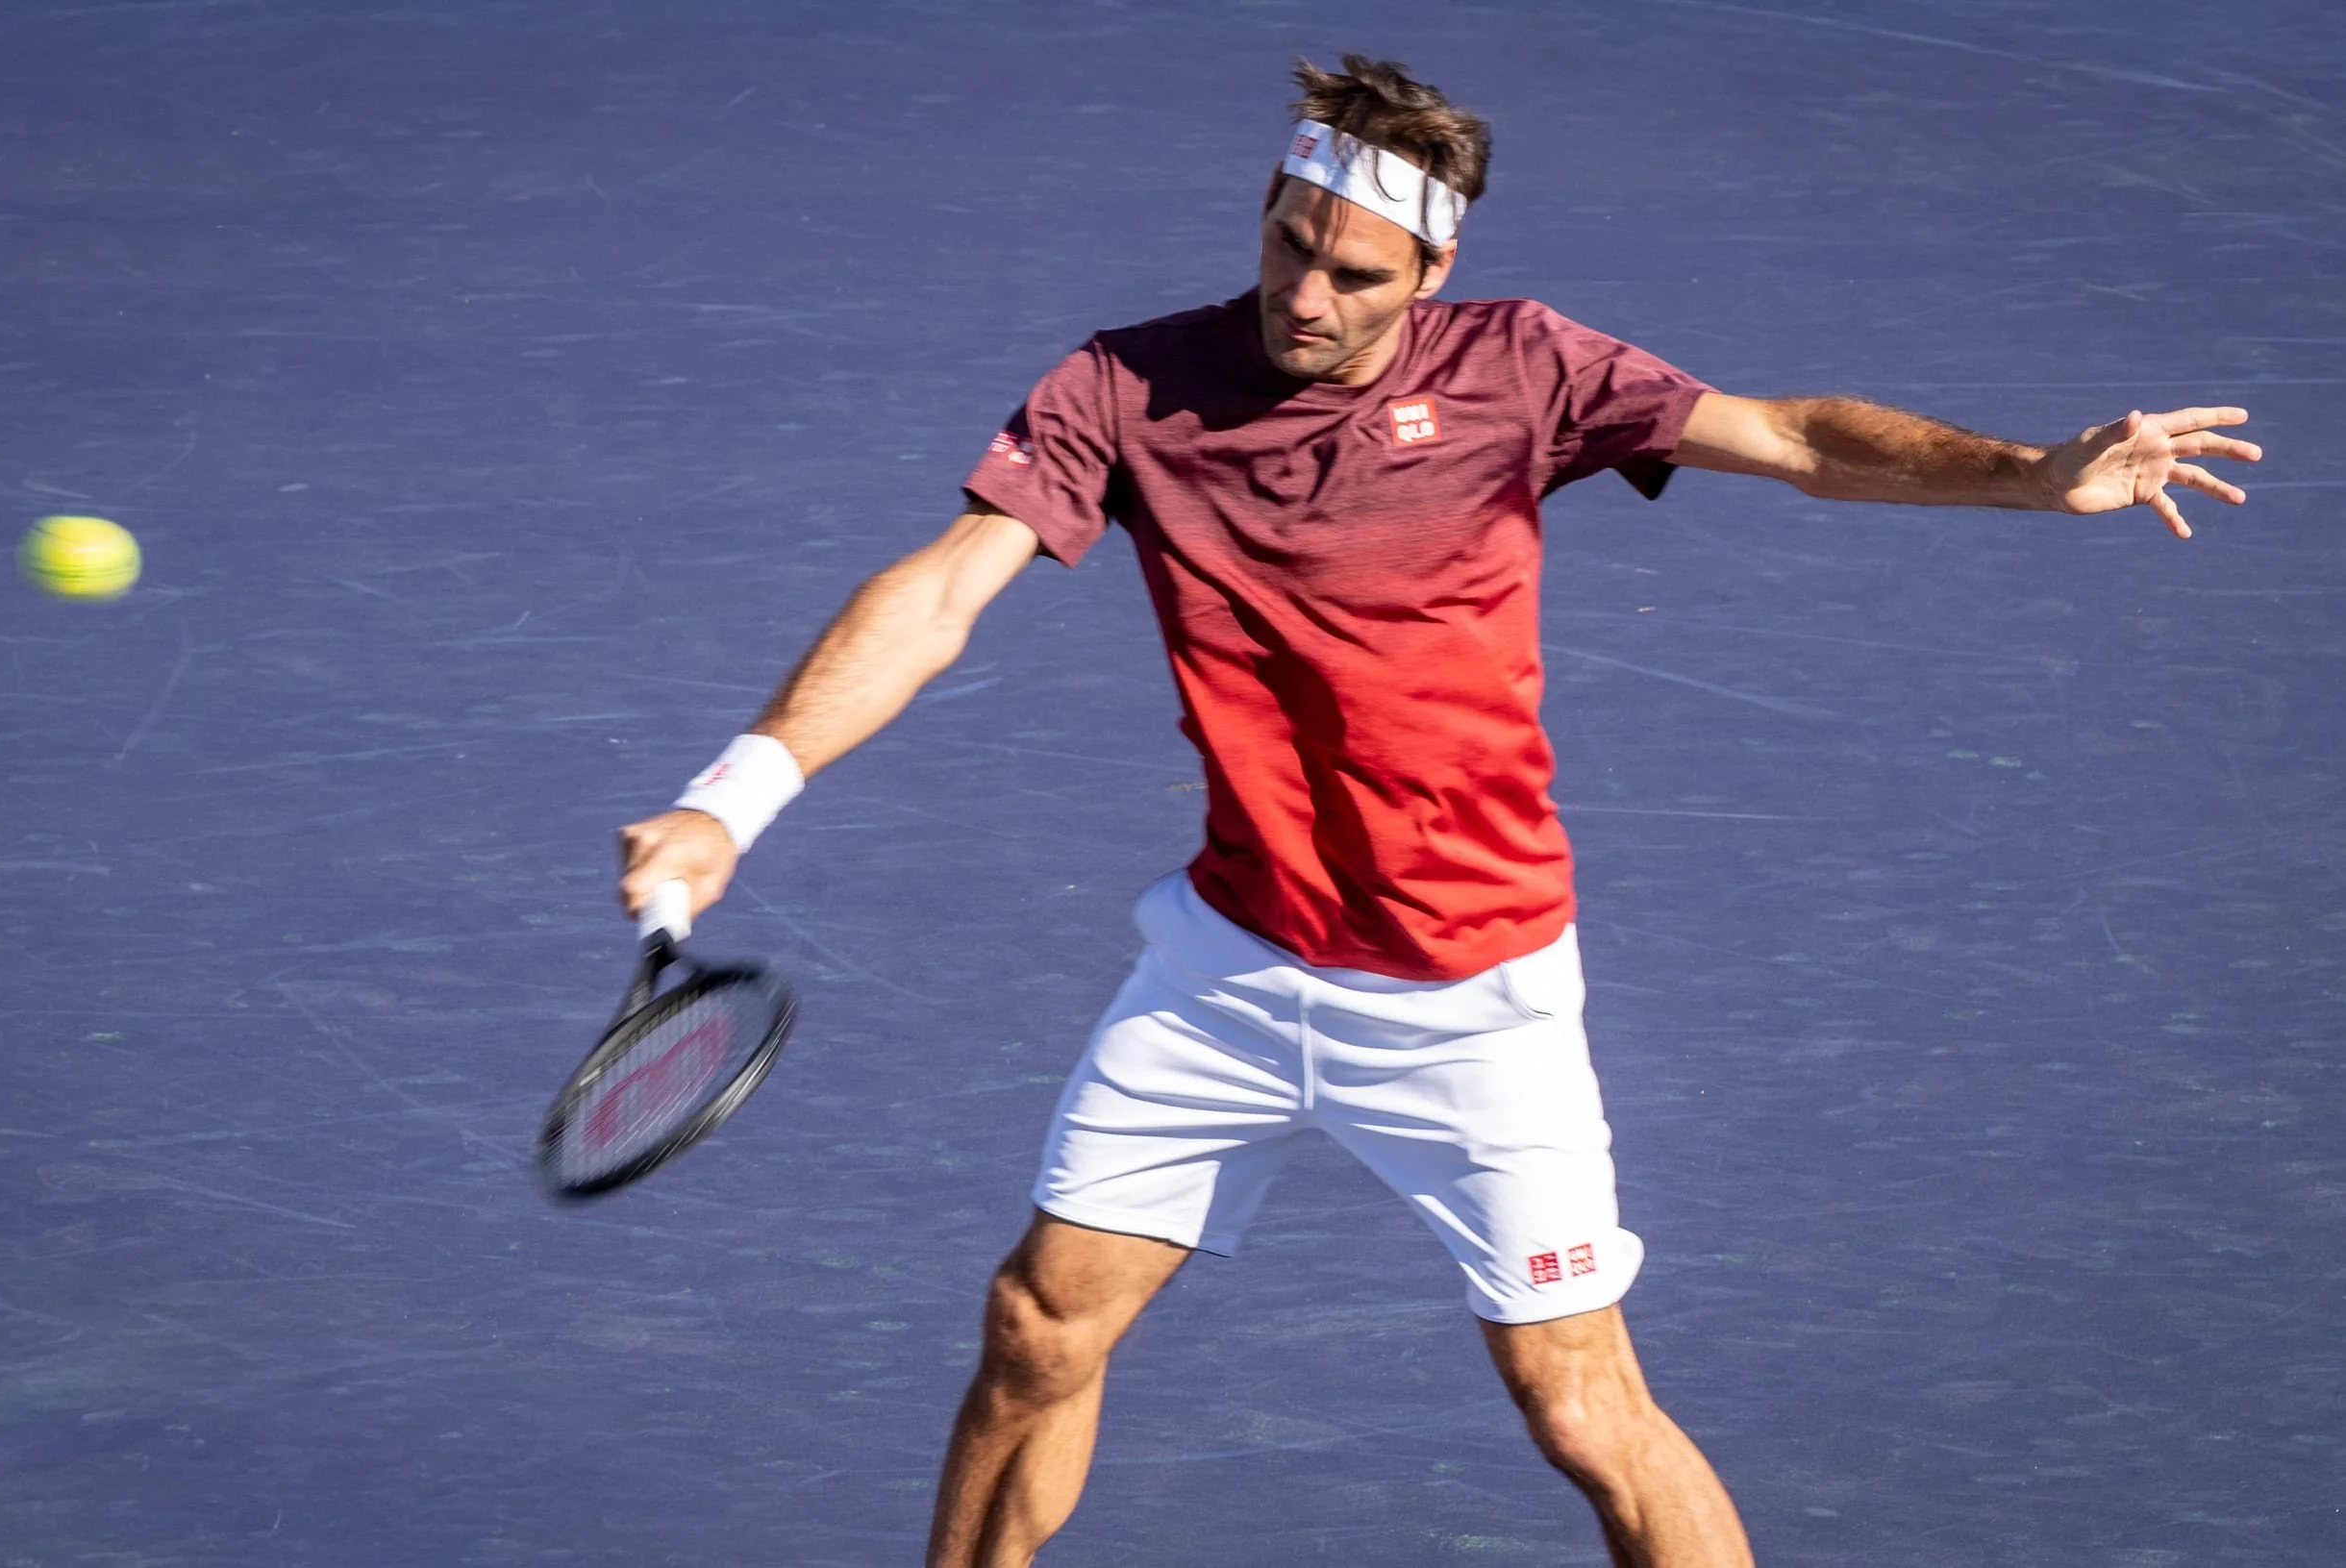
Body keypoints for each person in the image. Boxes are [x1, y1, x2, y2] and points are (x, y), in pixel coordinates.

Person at [615, 55, 2259, 1568]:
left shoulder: (1529, 370)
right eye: (1287, 245)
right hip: (1229, 970)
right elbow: (944, 590)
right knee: (1040, 1329)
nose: (1305, 294)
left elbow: (1798, 439)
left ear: (1434, 277)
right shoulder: (1126, 387)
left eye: (1355, 274)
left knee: (1584, 1410)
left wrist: (2031, 471)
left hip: (1477, 999)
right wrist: (734, 794)